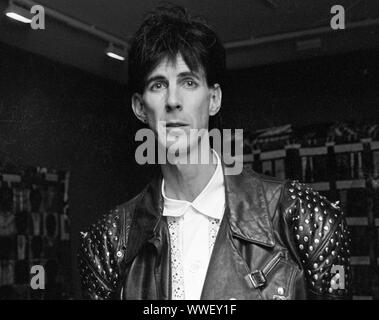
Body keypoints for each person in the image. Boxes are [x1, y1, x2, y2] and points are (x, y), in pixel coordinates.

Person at [78, 5, 351, 300]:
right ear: (140, 107)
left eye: (189, 82)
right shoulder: (107, 240)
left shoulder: (302, 217)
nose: (173, 100)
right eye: (158, 85)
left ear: (213, 99)